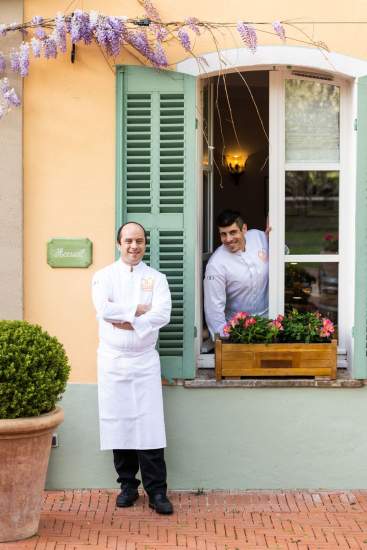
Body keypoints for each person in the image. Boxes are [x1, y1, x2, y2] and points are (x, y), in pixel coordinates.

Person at [92, 222, 174, 515]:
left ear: (145, 244)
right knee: (119, 423)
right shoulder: (103, 277)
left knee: (149, 425)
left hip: (144, 360)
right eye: (128, 241)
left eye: (139, 241)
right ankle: (128, 486)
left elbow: (162, 313)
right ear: (119, 243)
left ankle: (157, 492)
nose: (134, 246)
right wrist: (138, 311)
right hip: (113, 361)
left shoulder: (157, 278)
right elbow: (104, 310)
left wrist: (126, 317)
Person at [204, 209, 269, 339]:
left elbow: (282, 255)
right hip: (237, 330)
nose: (228, 239)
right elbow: (214, 309)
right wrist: (226, 338)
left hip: (269, 322)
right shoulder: (216, 264)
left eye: (233, 232)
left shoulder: (260, 237)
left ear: (244, 229)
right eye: (223, 234)